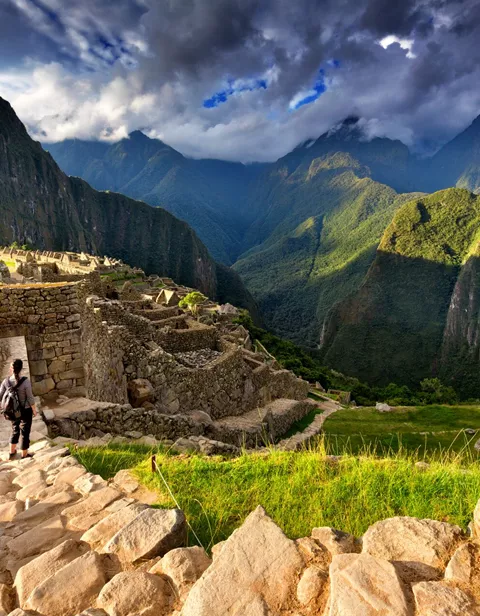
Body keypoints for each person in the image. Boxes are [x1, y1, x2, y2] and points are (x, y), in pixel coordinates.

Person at [0, 359, 37, 460]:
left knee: (15, 430)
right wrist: (34, 410)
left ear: (11, 369)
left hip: (12, 411)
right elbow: (30, 398)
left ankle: (12, 453)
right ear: (21, 369)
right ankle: (24, 455)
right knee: (25, 432)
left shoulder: (6, 382)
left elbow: (1, 396)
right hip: (25, 410)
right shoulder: (25, 382)